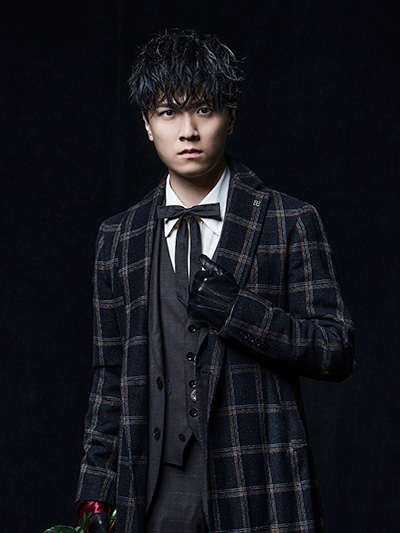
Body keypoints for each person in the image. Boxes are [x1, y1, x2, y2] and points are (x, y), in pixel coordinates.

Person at [75, 30, 355, 533]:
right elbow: (110, 375)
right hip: (152, 489)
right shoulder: (116, 237)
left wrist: (239, 312)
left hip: (258, 484)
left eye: (204, 110)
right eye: (169, 112)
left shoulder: (289, 221)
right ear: (147, 124)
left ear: (231, 117)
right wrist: (95, 491)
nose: (188, 131)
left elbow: (336, 349)